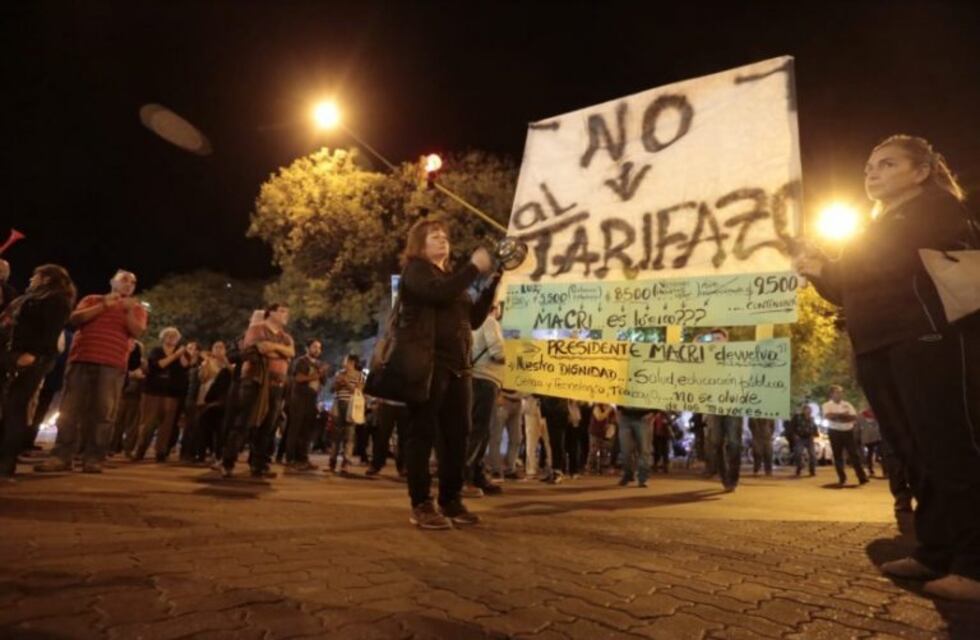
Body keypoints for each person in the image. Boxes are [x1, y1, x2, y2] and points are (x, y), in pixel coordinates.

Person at [798, 134, 980, 600]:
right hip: (877, 345)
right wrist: (820, 267)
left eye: (887, 164)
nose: (872, 173)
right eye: (869, 167)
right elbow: (846, 287)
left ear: (921, 171)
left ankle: (974, 564)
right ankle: (934, 551)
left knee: (949, 444)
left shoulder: (938, 207)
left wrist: (838, 259)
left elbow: (883, 261)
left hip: (928, 338)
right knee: (913, 449)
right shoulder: (873, 227)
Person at [392, 218, 497, 529]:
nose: (442, 241)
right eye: (434, 237)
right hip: (428, 364)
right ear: (419, 244)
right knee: (421, 433)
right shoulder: (417, 271)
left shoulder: (450, 278)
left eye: (444, 237)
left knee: (457, 435)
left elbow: (474, 319)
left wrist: (493, 283)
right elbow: (437, 293)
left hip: (458, 367)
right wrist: (473, 268)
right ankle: (421, 503)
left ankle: (451, 499)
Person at [36, 269, 147, 473]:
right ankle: (62, 456)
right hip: (82, 359)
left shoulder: (137, 308)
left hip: (112, 365)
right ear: (112, 282)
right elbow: (75, 319)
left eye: (133, 282)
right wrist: (104, 305)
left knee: (103, 413)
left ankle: (94, 458)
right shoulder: (93, 299)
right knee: (70, 410)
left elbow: (137, 331)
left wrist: (129, 310)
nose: (129, 284)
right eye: (124, 280)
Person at [0, 265, 75, 479]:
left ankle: (6, 463)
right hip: (11, 354)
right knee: (8, 406)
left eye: (36, 276)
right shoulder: (29, 298)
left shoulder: (56, 300)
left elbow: (49, 332)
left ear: (46, 278)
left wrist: (33, 354)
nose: (31, 279)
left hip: (29, 358)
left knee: (15, 407)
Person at [220, 304, 294, 478]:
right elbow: (258, 349)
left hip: (277, 384)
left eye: (287, 312)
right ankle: (228, 461)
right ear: (270, 313)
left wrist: (273, 348)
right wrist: (279, 351)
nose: (286, 315)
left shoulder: (286, 336)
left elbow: (291, 352)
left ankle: (258, 464)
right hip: (256, 381)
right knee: (244, 422)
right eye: (282, 311)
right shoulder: (256, 329)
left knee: (268, 426)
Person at [132, 327, 195, 462]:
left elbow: (185, 365)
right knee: (148, 423)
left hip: (171, 393)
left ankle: (161, 451)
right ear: (163, 337)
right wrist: (175, 356)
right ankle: (141, 449)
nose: (171, 338)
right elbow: (159, 365)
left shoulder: (181, 352)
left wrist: (184, 354)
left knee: (167, 424)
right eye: (168, 335)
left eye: (174, 336)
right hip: (153, 391)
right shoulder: (157, 351)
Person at [463, 303, 505, 497]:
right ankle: (467, 477)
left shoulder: (470, 325)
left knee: (480, 430)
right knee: (479, 431)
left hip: (474, 379)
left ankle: (476, 473)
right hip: (485, 380)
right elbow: (498, 353)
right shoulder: (490, 322)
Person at [285, 339, 327, 471]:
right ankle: (290, 458)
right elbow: (299, 378)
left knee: (307, 430)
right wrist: (318, 374)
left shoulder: (319, 364)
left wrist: (322, 373)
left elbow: (323, 381)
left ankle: (302, 458)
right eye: (314, 347)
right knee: (295, 428)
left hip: (312, 399)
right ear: (307, 348)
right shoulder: (301, 361)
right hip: (299, 398)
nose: (317, 350)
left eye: (319, 348)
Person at [820, 386, 868, 486]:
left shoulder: (847, 404)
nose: (840, 394)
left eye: (841, 392)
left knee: (854, 455)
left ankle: (862, 477)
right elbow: (829, 416)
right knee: (838, 456)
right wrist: (843, 415)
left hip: (848, 431)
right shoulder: (827, 405)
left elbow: (853, 417)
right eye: (837, 392)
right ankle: (842, 478)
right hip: (835, 432)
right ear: (831, 394)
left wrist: (838, 416)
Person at [329, 354, 364, 474]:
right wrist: (337, 384)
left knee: (349, 435)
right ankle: (332, 462)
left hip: (351, 406)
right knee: (336, 435)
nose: (344, 362)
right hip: (339, 404)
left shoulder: (360, 375)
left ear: (352, 362)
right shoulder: (340, 373)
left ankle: (345, 463)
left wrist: (347, 383)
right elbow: (332, 389)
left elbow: (359, 391)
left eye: (346, 360)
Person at [617, 406, 651, 487]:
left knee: (643, 450)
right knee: (625, 450)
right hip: (625, 417)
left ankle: (643, 478)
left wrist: (653, 414)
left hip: (643, 418)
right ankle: (628, 474)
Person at [523, 394, 551, 478]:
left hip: (548, 408)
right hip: (531, 406)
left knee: (549, 441)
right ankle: (531, 468)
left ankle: (550, 466)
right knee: (531, 441)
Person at [788, 404, 818, 477]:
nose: (808, 412)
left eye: (810, 410)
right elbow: (791, 427)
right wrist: (795, 435)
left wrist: (814, 434)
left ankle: (812, 470)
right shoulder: (797, 417)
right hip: (800, 438)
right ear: (803, 410)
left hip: (809, 438)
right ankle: (799, 467)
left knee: (813, 455)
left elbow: (815, 428)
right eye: (807, 410)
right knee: (798, 453)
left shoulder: (812, 419)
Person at [858, 408, 883, 477]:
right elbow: (858, 426)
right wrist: (857, 437)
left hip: (878, 436)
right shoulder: (861, 415)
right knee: (870, 453)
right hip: (868, 437)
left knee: (881, 452)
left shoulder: (878, 412)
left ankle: (885, 471)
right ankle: (870, 470)